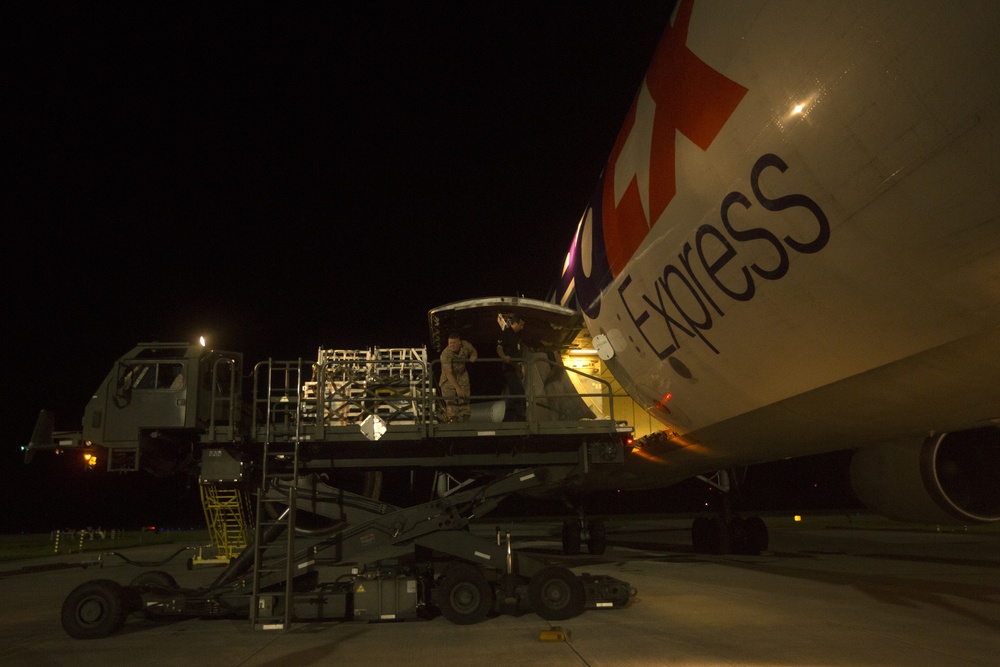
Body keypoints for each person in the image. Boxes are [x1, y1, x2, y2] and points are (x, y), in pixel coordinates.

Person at [439, 333, 477, 422]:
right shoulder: (445, 354)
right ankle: (453, 419)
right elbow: (448, 373)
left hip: (462, 373)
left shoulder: (465, 345)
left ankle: (466, 417)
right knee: (450, 398)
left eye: (454, 343)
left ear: (459, 342)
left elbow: (473, 351)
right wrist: (457, 388)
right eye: (450, 343)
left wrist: (473, 356)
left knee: (465, 395)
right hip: (448, 377)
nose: (451, 345)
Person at [496, 315, 526, 421]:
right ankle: (520, 417)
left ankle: (508, 418)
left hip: (516, 368)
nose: (522, 328)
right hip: (509, 368)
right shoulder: (506, 334)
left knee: (513, 393)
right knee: (519, 391)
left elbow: (519, 353)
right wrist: (504, 356)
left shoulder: (518, 336)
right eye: (521, 325)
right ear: (515, 323)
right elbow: (499, 348)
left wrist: (521, 367)